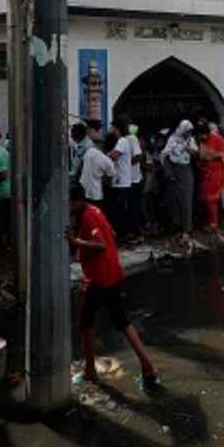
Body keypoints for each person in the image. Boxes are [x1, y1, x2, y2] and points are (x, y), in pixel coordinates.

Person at [67, 184, 158, 389]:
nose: (67, 206)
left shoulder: (88, 216)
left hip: (101, 278)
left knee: (85, 323)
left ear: (77, 201)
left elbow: (101, 244)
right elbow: (111, 234)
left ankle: (90, 372)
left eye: (68, 202)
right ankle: (148, 366)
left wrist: (76, 241)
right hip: (109, 274)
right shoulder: (93, 211)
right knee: (120, 320)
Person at [161, 121, 198, 234]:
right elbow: (165, 155)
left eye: (190, 131)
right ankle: (176, 224)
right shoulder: (173, 139)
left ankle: (187, 228)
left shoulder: (191, 140)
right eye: (187, 131)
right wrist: (170, 173)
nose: (189, 133)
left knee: (186, 200)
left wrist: (189, 149)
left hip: (186, 171)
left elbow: (196, 154)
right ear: (182, 130)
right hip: (173, 171)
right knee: (174, 200)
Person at [106, 119, 137, 237]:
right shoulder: (122, 141)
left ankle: (125, 233)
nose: (110, 130)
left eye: (112, 127)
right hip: (121, 181)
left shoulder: (122, 141)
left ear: (116, 128)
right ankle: (125, 233)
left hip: (122, 182)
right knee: (121, 210)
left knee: (121, 210)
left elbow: (114, 155)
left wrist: (105, 154)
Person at [195, 122, 224, 232]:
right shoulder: (202, 141)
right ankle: (211, 221)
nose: (200, 138)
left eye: (201, 135)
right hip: (206, 173)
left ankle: (214, 224)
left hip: (216, 173)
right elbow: (201, 156)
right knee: (204, 198)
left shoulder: (218, 140)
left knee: (211, 199)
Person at [80, 135, 116, 213]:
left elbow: (82, 166)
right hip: (96, 194)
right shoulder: (106, 160)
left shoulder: (89, 152)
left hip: (84, 190)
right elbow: (110, 179)